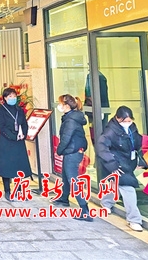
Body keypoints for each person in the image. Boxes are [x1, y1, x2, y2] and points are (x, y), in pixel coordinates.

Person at [97, 106, 145, 232]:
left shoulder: (132, 127)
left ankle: (106, 203)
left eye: (130, 120)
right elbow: (101, 148)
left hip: (128, 162)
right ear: (118, 118)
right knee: (128, 188)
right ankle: (134, 219)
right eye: (125, 121)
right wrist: (112, 164)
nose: (128, 123)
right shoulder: (110, 131)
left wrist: (141, 159)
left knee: (115, 183)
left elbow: (137, 143)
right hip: (116, 163)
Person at [54, 94, 92, 222]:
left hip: (72, 152)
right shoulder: (72, 116)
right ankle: (64, 198)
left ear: (67, 106)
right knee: (66, 176)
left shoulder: (70, 120)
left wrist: (59, 150)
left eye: (61, 103)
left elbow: (66, 138)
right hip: (72, 150)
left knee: (73, 180)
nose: (59, 106)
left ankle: (84, 209)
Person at [0, 87, 32, 202]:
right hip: (6, 141)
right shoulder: (1, 110)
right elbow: (2, 126)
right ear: (5, 98)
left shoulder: (19, 110)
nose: (13, 98)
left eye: (14, 96)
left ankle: (19, 189)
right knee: (6, 166)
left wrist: (23, 134)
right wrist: (13, 136)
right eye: (10, 96)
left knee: (19, 165)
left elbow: (24, 123)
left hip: (19, 141)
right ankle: (7, 190)